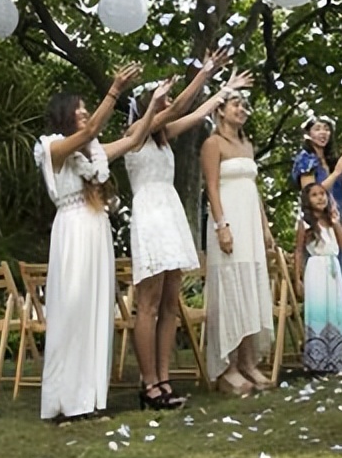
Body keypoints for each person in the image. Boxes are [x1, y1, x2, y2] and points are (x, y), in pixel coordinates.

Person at [33, 68, 170, 422]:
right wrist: (115, 89)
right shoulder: (53, 148)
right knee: (74, 313)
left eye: (85, 107)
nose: (84, 112)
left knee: (96, 314)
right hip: (72, 231)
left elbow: (134, 140)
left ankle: (89, 401)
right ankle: (66, 402)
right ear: (64, 115)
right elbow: (93, 128)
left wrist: (152, 106)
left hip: (96, 231)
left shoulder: (93, 152)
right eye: (78, 108)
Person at [124, 49, 253, 410]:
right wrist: (205, 70)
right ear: (147, 106)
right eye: (161, 100)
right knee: (148, 304)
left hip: (171, 213)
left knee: (170, 304)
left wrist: (224, 89)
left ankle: (164, 379)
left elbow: (196, 114)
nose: (168, 104)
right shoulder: (134, 133)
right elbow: (181, 106)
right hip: (150, 215)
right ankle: (148, 383)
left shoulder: (163, 136)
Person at [201, 89, 276, 396]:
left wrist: (265, 227)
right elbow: (211, 188)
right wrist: (222, 227)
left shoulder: (247, 145)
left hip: (250, 225)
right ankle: (228, 367)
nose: (242, 109)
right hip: (228, 222)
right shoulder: (213, 144)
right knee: (231, 289)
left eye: (245, 105)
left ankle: (248, 361)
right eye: (236, 104)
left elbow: (253, 189)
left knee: (250, 289)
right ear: (220, 110)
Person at [294, 182, 342, 373]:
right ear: (307, 200)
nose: (320, 197)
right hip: (316, 268)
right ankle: (318, 359)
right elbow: (298, 251)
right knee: (319, 309)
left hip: (333, 267)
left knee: (336, 308)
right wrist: (297, 278)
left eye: (323, 194)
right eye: (314, 195)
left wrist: (336, 223)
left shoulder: (333, 220)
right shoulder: (305, 223)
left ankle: (338, 357)